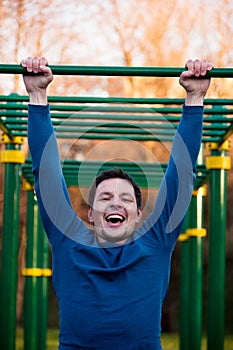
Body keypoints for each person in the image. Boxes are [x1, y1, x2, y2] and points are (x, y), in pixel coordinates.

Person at [21, 57, 213, 350]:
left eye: (125, 199)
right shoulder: (68, 240)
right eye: (105, 197)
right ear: (90, 213)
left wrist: (195, 98)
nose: (115, 203)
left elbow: (181, 174)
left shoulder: (156, 241)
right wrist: (37, 95)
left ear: (138, 214)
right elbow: (45, 172)